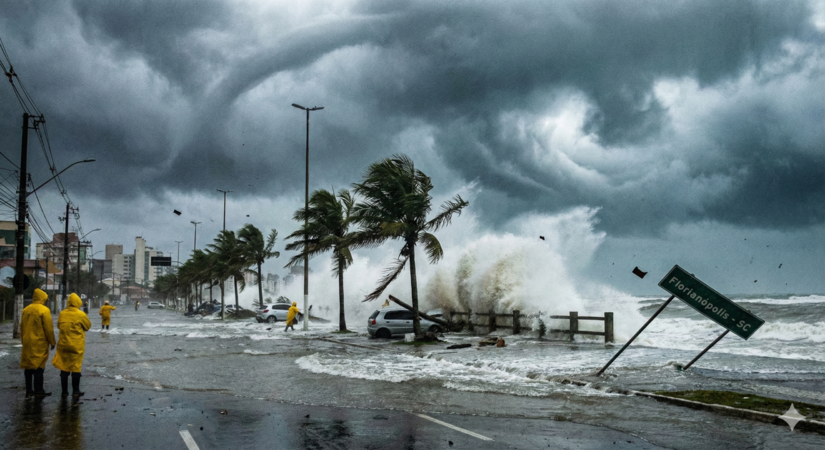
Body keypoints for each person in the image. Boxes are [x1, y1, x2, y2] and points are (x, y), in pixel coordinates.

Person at [52, 293, 91, 397]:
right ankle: (75, 391)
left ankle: (64, 391)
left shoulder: (62, 313)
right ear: (78, 302)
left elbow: (59, 326)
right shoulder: (81, 314)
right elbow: (87, 326)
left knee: (64, 367)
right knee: (76, 367)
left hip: (63, 344)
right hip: (76, 345)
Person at [20, 288, 56, 396]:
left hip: (27, 341)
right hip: (39, 342)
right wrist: (52, 342)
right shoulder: (44, 310)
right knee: (39, 367)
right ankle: (39, 390)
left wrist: (23, 340)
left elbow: (21, 327)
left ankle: (29, 389)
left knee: (28, 366)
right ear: (43, 298)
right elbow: (48, 328)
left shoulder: (25, 310)